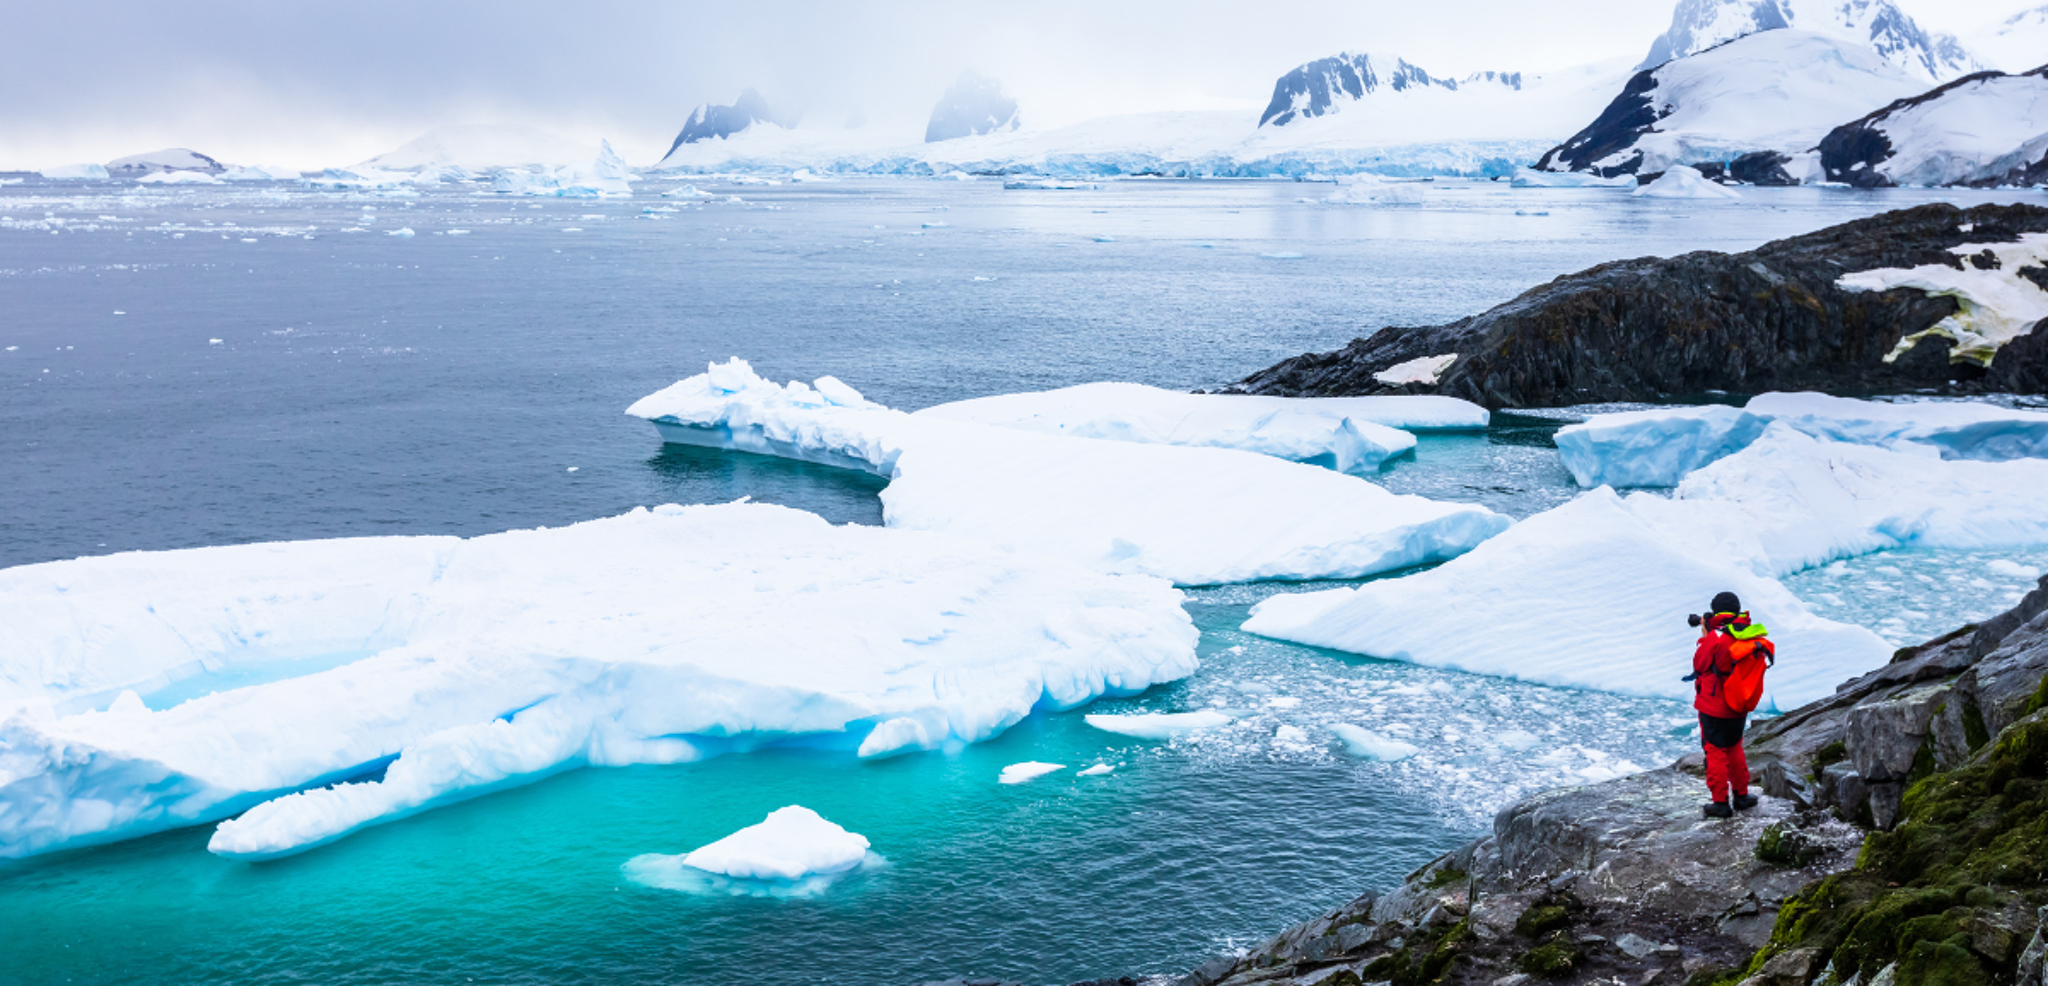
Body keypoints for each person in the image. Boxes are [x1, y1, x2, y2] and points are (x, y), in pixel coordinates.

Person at [1690, 590, 1762, 818]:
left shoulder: (1716, 637)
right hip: (1739, 702)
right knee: (1734, 747)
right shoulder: (1750, 633)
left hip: (1714, 705)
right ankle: (1742, 796)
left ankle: (1720, 802)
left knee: (1715, 751)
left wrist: (1704, 636)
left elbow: (1700, 664)